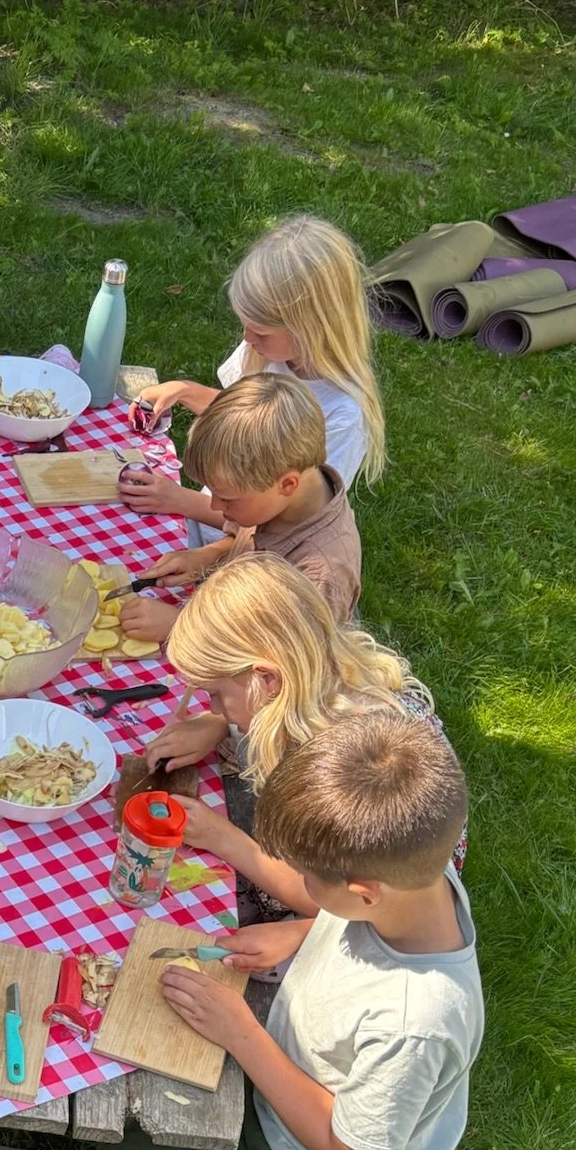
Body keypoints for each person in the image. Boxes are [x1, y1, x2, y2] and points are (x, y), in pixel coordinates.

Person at [81, 712, 482, 1150]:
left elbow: (345, 1146)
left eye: (309, 881)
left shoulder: (420, 1021)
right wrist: (301, 933)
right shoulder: (416, 885)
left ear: (365, 890)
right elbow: (347, 924)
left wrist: (241, 1032)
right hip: (275, 1100)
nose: (300, 887)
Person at [139, 557, 458, 919]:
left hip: (360, 917)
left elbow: (326, 900)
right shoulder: (319, 684)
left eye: (215, 694)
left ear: (268, 680)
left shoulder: (340, 771)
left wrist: (220, 836)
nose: (213, 706)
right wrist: (216, 723)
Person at [118, 213, 385, 533]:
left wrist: (178, 499)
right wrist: (184, 390)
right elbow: (245, 419)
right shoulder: (269, 350)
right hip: (212, 515)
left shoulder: (342, 417)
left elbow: (277, 526)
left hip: (244, 552)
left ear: (310, 329)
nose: (246, 338)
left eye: (260, 331)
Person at [118, 373, 363, 647]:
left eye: (228, 500)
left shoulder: (321, 576)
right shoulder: (277, 500)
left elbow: (285, 662)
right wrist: (208, 557)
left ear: (287, 484)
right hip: (224, 611)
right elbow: (245, 541)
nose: (214, 507)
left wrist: (181, 625)